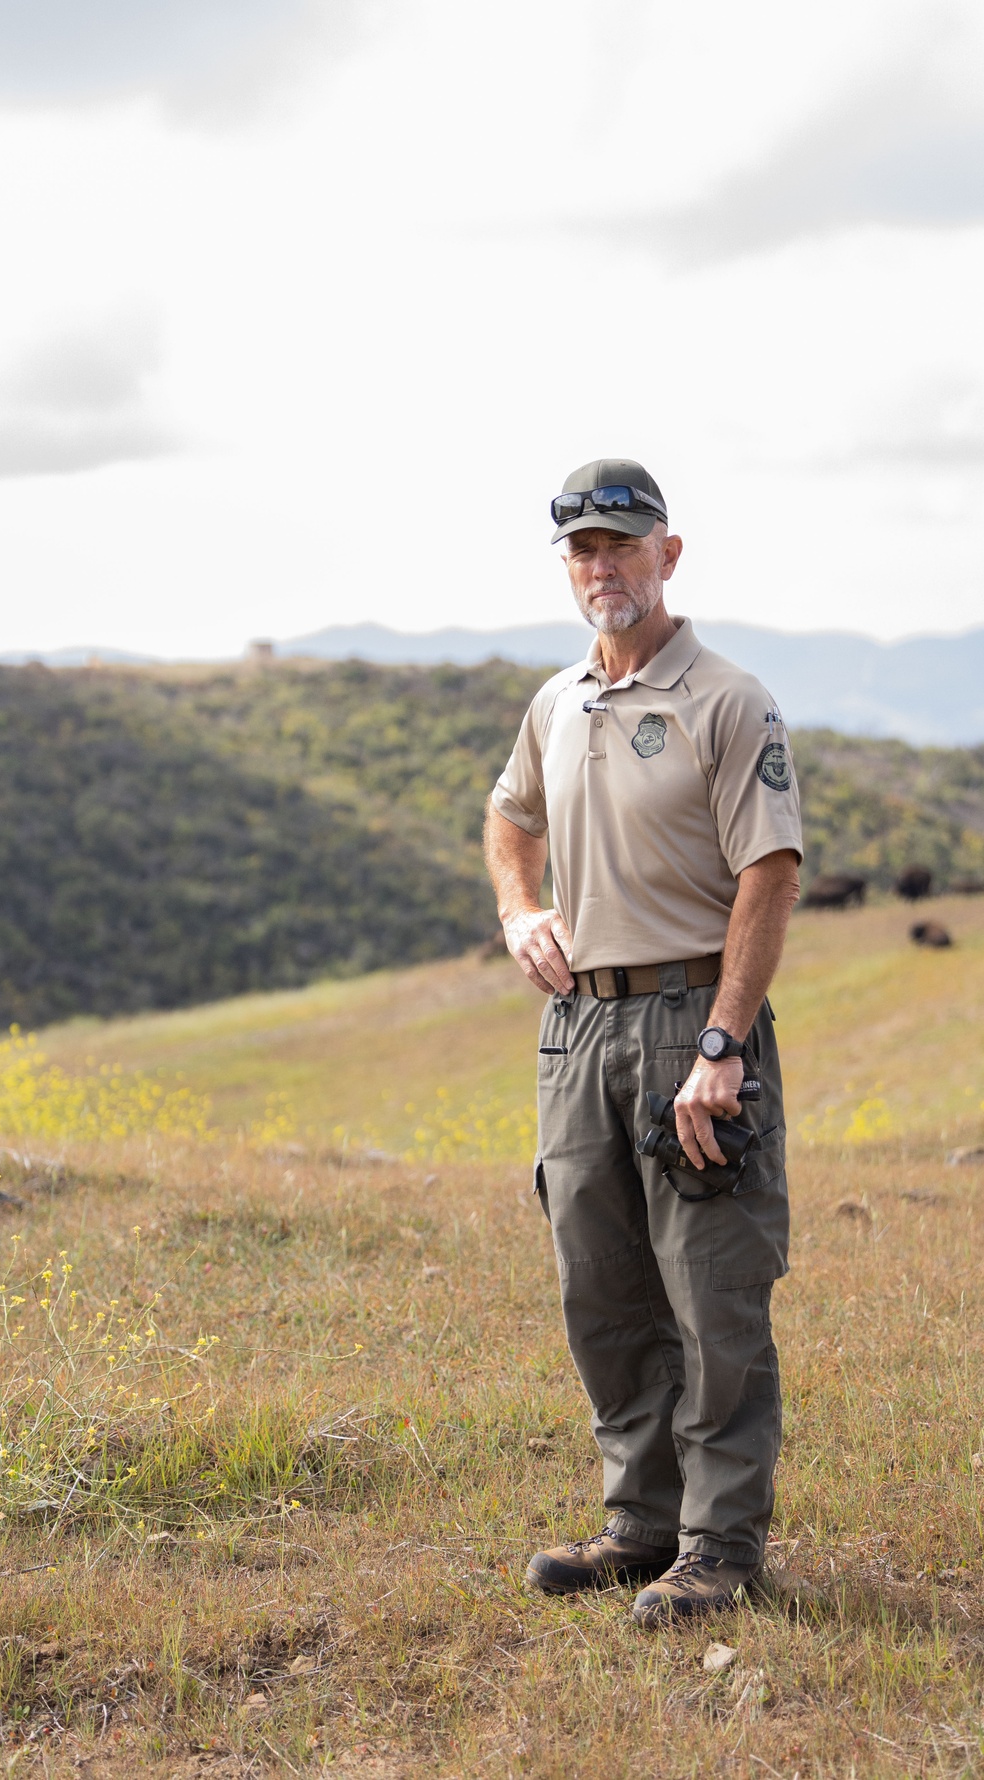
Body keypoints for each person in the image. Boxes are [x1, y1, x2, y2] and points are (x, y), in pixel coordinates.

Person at [483, 458, 803, 1628]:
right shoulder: (556, 702)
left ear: (668, 553)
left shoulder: (727, 698)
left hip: (688, 1016)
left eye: (621, 544)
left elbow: (768, 875)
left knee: (712, 1289)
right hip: (577, 1030)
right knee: (600, 1283)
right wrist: (522, 911)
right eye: (582, 549)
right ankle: (642, 1523)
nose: (601, 566)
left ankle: (721, 1546)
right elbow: (510, 816)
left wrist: (722, 1040)